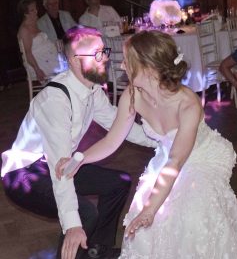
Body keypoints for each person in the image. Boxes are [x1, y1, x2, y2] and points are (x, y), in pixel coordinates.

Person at [56, 30, 237, 258]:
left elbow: (176, 161)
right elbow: (111, 140)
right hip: (168, 157)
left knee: (191, 213)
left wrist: (150, 209)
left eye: (127, 61)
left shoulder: (187, 103)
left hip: (202, 157)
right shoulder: (132, 94)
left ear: (147, 67)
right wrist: (80, 158)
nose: (121, 66)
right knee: (154, 216)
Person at [1, 26, 156, 259]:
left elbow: (118, 124)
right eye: (96, 54)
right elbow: (59, 171)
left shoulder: (91, 89)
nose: (104, 59)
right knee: (84, 214)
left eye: (104, 51)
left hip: (57, 164)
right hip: (25, 174)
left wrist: (160, 141)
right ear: (74, 60)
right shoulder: (55, 101)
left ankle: (98, 251)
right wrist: (72, 224)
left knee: (119, 183)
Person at [17, 0, 67, 82]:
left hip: (49, 58)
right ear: (26, 14)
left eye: (35, 8)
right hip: (39, 63)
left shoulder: (34, 23)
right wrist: (37, 69)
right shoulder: (24, 30)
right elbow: (27, 53)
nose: (36, 11)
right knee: (67, 70)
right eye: (32, 10)